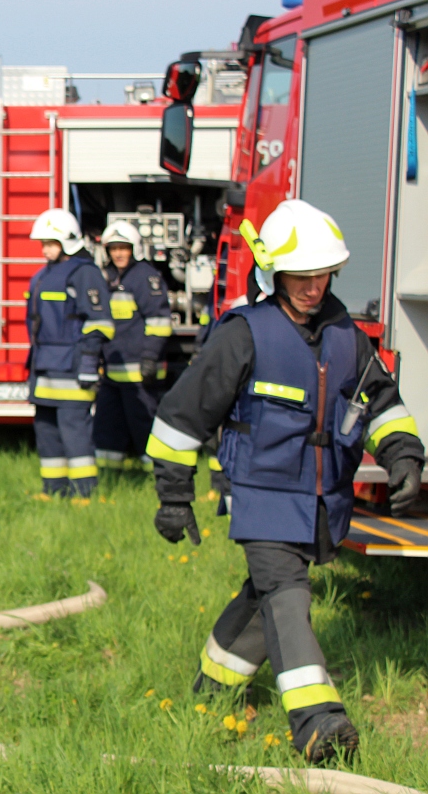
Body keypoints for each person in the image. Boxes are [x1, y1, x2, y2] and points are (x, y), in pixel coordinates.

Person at [145, 200, 424, 764]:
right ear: (274, 271)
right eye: (301, 276)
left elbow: (381, 403)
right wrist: (174, 497)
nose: (313, 287)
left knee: (264, 598)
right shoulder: (245, 334)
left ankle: (212, 690)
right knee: (289, 598)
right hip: (262, 497)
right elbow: (181, 417)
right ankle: (318, 721)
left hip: (322, 504)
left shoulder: (349, 338)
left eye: (322, 275)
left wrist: (402, 455)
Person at [26, 208, 114, 499]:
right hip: (45, 369)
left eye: (51, 243)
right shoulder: (41, 277)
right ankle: (54, 490)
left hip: (73, 370)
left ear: (68, 242)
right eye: (43, 244)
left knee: (74, 432)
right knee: (46, 430)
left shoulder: (85, 273)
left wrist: (89, 363)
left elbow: (99, 323)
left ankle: (85, 493)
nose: (46, 249)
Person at [93, 221, 172, 471]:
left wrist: (149, 358)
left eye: (123, 248)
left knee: (144, 425)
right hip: (112, 373)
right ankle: (109, 475)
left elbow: (159, 322)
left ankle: (156, 475)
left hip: (139, 372)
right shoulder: (108, 278)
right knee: (106, 425)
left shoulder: (145, 278)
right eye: (113, 248)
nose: (118, 254)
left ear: (134, 249)